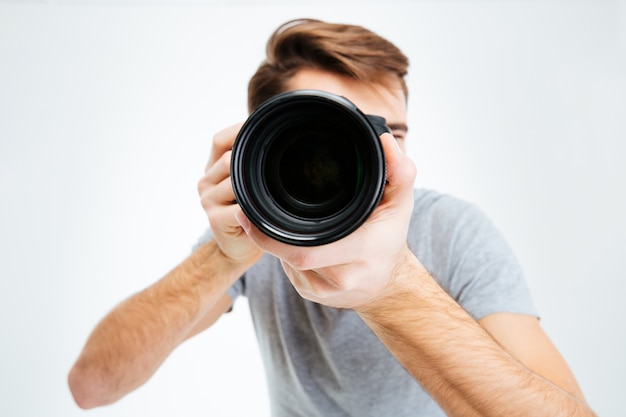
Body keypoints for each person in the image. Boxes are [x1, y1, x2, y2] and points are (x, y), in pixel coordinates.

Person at [68, 18, 596, 416]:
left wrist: (393, 288)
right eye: (335, 137)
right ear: (262, 146)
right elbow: (91, 386)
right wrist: (224, 258)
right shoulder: (259, 235)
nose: (371, 157)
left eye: (389, 134)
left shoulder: (451, 230)